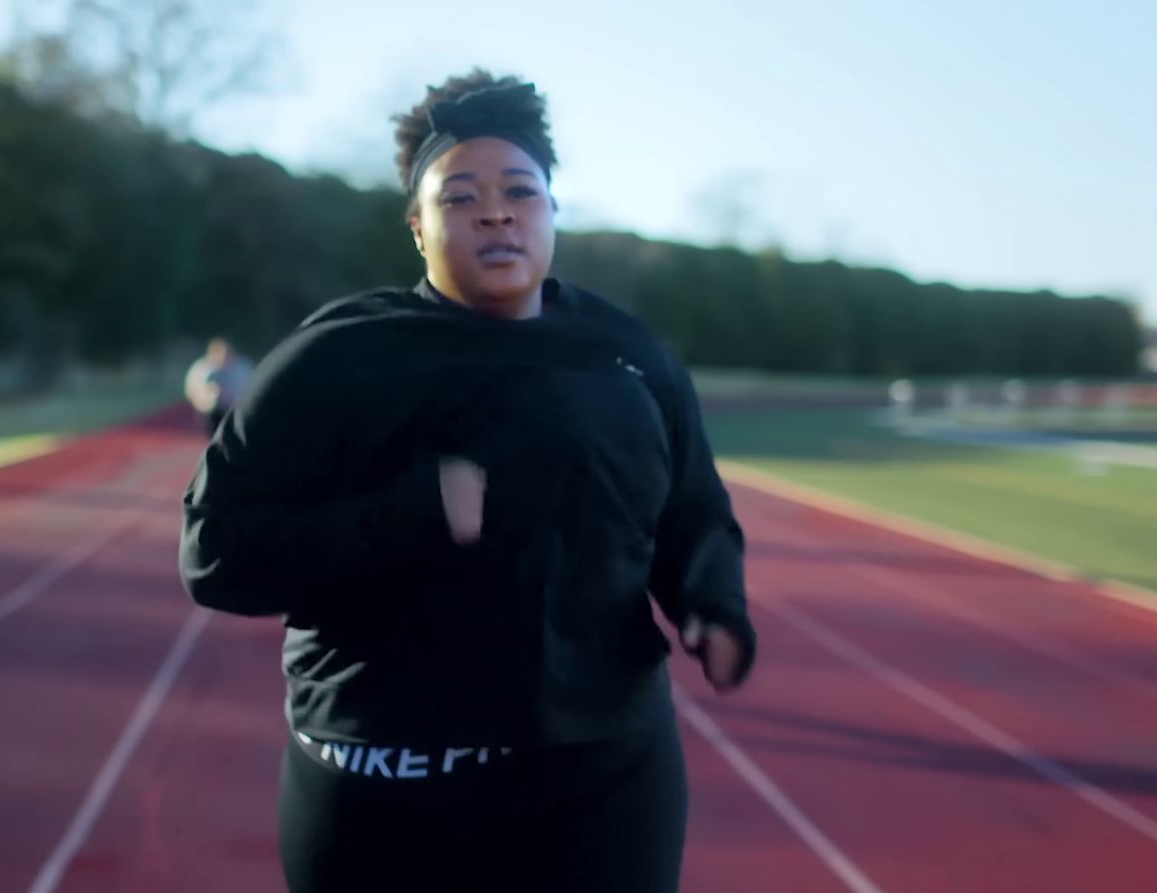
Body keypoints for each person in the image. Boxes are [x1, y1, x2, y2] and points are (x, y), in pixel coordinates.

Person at [179, 70, 756, 893]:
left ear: (551, 211)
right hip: (389, 778)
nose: (496, 211)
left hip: (602, 775)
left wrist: (713, 602)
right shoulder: (337, 358)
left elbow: (692, 511)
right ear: (416, 226)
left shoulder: (629, 356)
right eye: (460, 197)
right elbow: (214, 552)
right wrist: (410, 514)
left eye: (521, 190)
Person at [183, 337, 254, 435]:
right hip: (210, 410)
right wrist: (205, 398)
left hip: (234, 409)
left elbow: (248, 388)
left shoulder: (242, 368)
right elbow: (191, 390)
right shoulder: (201, 369)